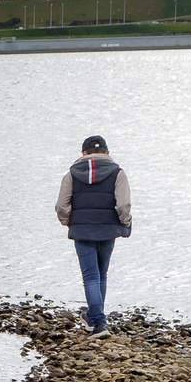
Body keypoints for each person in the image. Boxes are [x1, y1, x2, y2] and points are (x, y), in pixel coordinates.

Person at [57, 134, 132, 333]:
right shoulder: (118, 173)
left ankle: (97, 322)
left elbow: (61, 206)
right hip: (108, 230)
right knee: (101, 275)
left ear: (83, 153)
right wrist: (125, 222)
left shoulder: (72, 174)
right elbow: (123, 204)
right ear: (107, 153)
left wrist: (69, 223)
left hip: (82, 231)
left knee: (90, 276)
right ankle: (95, 318)